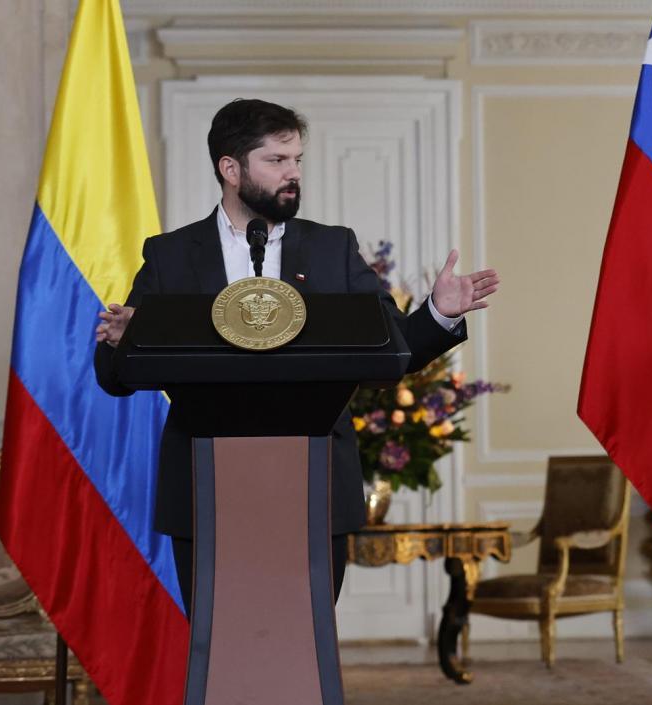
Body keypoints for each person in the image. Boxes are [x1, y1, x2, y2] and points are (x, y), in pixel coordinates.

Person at [93, 98, 499, 609]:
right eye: (277, 161)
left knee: (305, 649)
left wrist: (437, 312)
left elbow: (393, 354)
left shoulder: (333, 249)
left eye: (298, 160)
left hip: (315, 484)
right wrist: (131, 337)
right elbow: (116, 378)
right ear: (230, 168)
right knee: (218, 651)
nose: (294, 174)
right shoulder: (172, 254)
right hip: (206, 486)